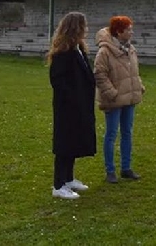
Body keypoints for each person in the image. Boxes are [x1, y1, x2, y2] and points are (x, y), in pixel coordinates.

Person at [47, 11, 97, 199]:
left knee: (75, 142)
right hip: (68, 108)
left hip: (81, 104)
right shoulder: (63, 52)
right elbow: (58, 81)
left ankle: (68, 178)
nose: (87, 29)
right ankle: (58, 185)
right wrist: (72, 101)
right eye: (84, 26)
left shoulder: (79, 50)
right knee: (64, 144)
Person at [94, 16, 145, 184]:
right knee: (111, 134)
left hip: (129, 98)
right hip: (114, 100)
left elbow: (134, 72)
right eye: (128, 29)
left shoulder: (131, 49)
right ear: (119, 31)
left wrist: (139, 86)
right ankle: (110, 170)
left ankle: (126, 168)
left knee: (127, 133)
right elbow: (100, 74)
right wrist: (111, 93)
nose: (131, 32)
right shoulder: (105, 51)